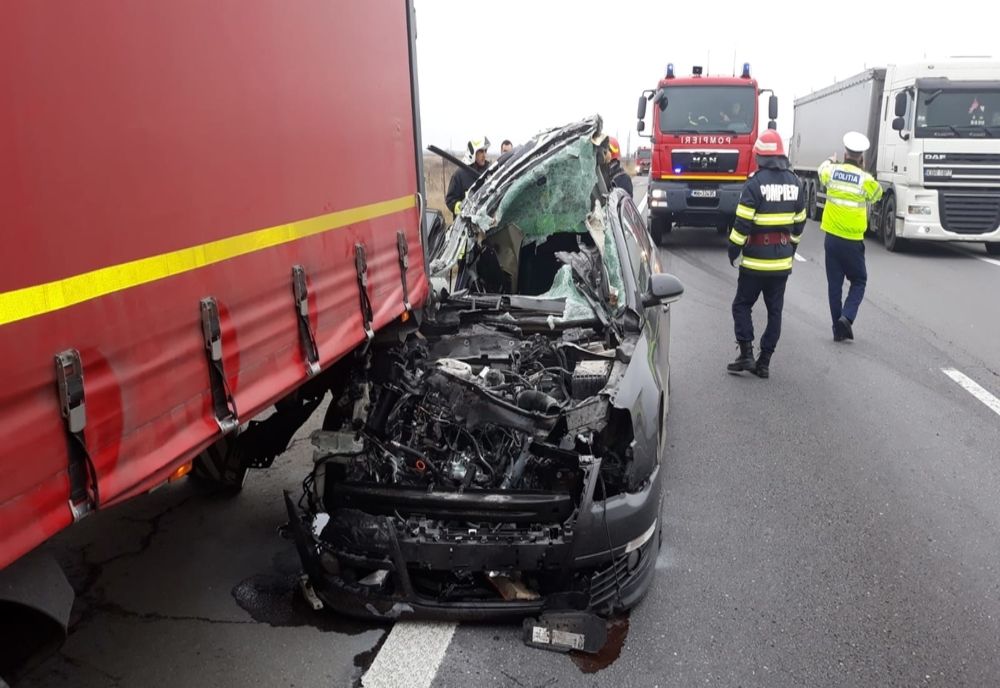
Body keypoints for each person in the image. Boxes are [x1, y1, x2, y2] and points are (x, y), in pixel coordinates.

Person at [726, 129, 806, 379]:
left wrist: (733, 249)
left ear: (759, 156)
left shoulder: (755, 183)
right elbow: (799, 223)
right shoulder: (796, 183)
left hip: (755, 261)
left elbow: (742, 224)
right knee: (775, 312)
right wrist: (790, 249)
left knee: (741, 305)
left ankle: (747, 352)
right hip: (781, 262)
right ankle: (764, 362)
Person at [818, 131, 883, 341]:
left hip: (832, 238)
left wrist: (830, 159)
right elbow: (878, 194)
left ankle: (838, 327)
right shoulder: (865, 179)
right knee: (859, 280)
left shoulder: (833, 172)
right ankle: (847, 317)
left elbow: (821, 171)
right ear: (861, 157)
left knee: (834, 285)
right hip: (853, 241)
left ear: (845, 153)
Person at [445, 137, 491, 218]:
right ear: (472, 153)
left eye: (485, 151)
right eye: (480, 151)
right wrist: (460, 207)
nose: (484, 155)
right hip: (465, 225)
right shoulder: (459, 175)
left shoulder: (489, 172)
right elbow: (450, 200)